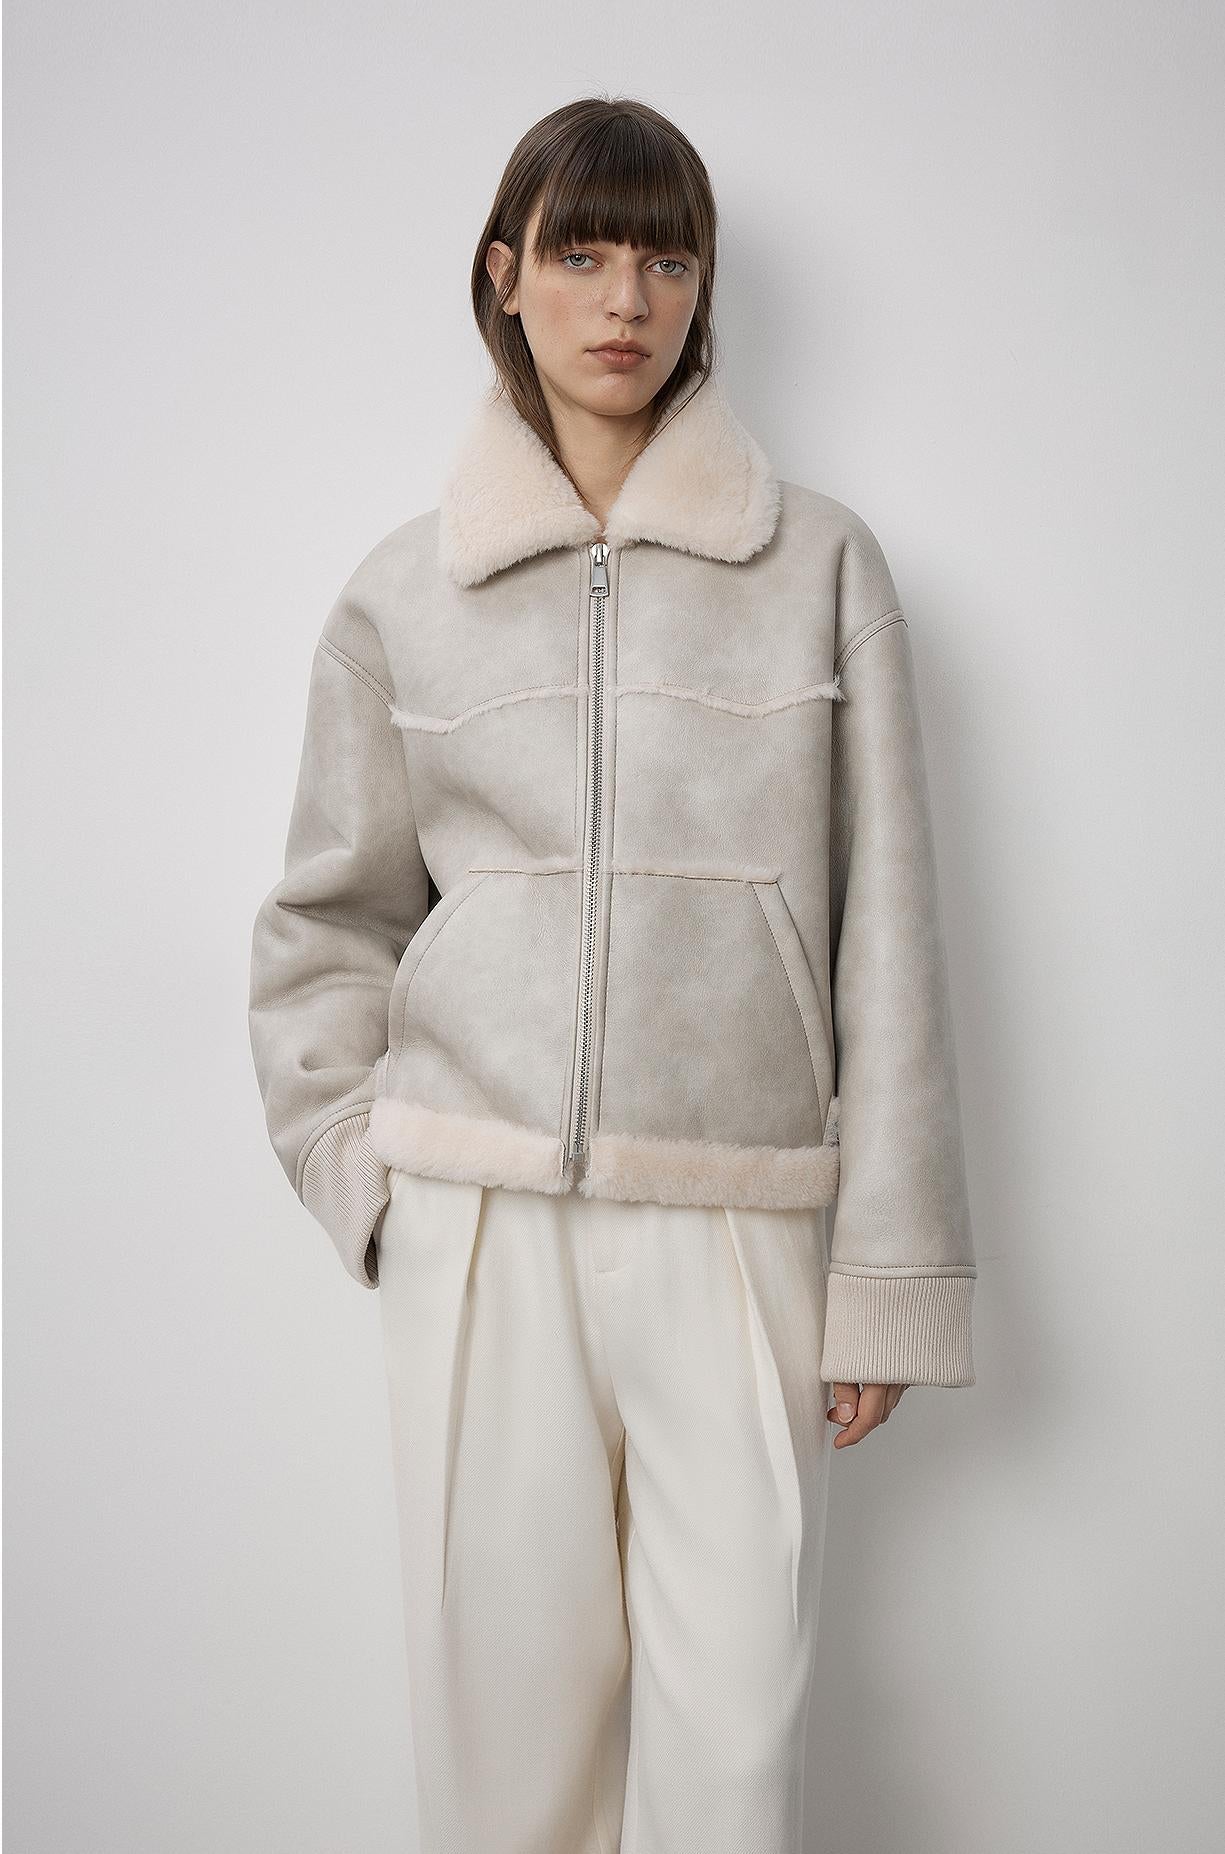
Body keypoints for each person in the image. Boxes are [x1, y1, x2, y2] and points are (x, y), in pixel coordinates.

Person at [248, 94, 977, 1854]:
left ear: (701, 285)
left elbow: (887, 931)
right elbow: (327, 921)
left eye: (663, 258)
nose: (625, 298)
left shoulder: (817, 565)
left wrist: (880, 1274)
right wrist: (370, 1180)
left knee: (730, 1753)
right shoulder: (403, 593)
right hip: (481, 1219)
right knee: (506, 1761)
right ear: (504, 277)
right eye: (580, 254)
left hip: (737, 1222)